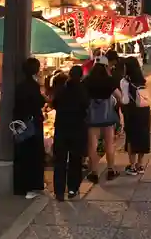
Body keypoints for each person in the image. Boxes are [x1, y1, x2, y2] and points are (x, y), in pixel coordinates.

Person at [83, 56, 123, 183]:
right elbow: (120, 97)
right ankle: (111, 170)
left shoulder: (87, 80)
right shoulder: (109, 81)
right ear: (106, 67)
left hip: (92, 116)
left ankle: (94, 173)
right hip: (107, 115)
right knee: (109, 143)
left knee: (92, 145)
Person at [52, 65, 89, 201]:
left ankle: (59, 191)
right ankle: (73, 188)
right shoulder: (82, 90)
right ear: (81, 76)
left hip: (61, 128)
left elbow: (54, 104)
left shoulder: (61, 90)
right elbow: (86, 106)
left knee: (60, 160)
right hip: (77, 129)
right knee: (75, 160)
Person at [13, 58, 46, 199]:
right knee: (33, 155)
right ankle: (31, 187)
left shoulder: (19, 86)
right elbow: (39, 102)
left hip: (20, 123)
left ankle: (20, 187)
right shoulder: (34, 86)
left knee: (21, 154)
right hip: (32, 124)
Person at [120, 57, 151, 176]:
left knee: (131, 137)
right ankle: (140, 165)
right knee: (143, 135)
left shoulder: (125, 81)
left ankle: (132, 166)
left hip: (132, 111)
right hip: (144, 110)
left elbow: (125, 100)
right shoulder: (142, 80)